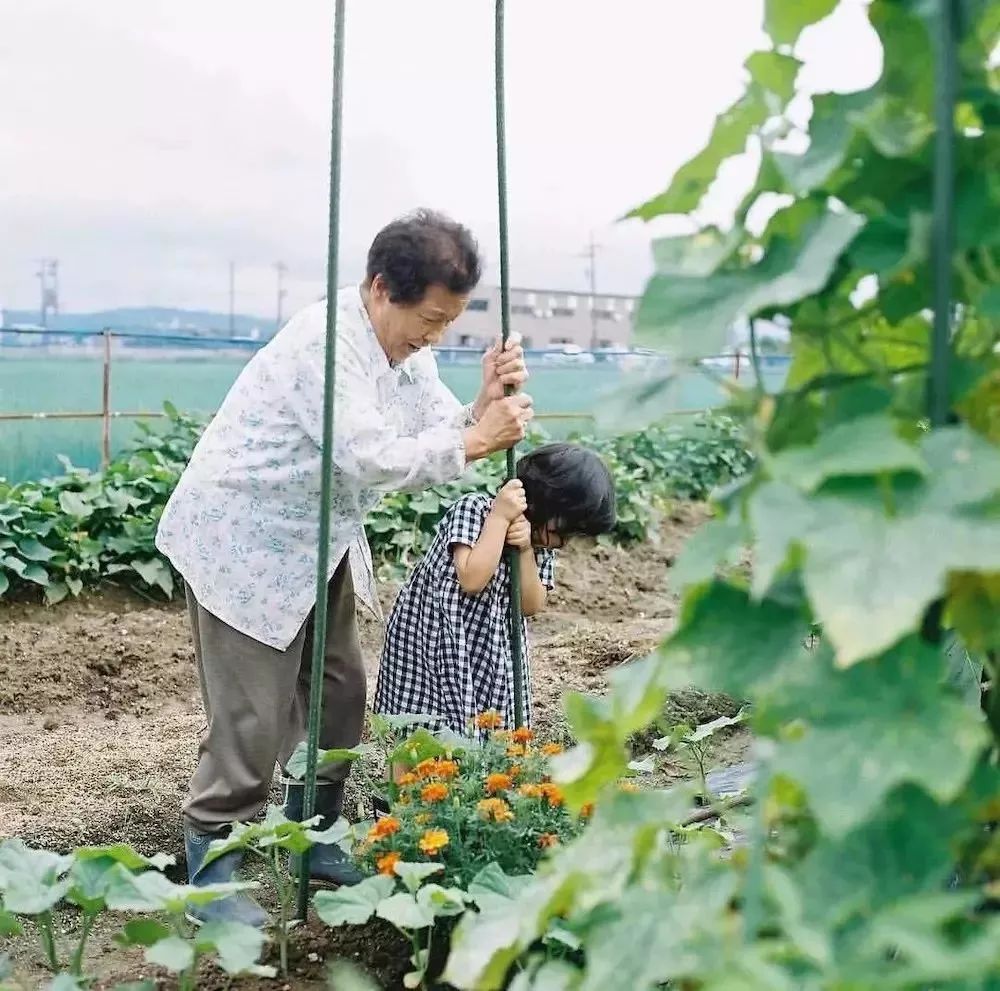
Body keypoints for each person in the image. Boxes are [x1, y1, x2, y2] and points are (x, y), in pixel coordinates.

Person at [155, 209, 533, 926]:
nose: (436, 336)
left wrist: (484, 403)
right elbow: (363, 454)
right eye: (430, 317)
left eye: (450, 322)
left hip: (314, 537)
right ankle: (211, 866)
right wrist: (477, 441)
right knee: (253, 717)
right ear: (382, 287)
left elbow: (439, 431)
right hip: (244, 539)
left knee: (339, 692)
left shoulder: (401, 351)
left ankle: (315, 834)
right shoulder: (326, 347)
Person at [373, 443, 616, 737]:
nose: (562, 543)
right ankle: (406, 783)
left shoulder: (537, 546)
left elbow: (530, 605)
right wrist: (500, 520)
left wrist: (525, 550)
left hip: (491, 650)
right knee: (417, 723)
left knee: (491, 727)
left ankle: (481, 780)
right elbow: (472, 579)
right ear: (541, 502)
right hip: (433, 640)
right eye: (562, 530)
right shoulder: (475, 511)